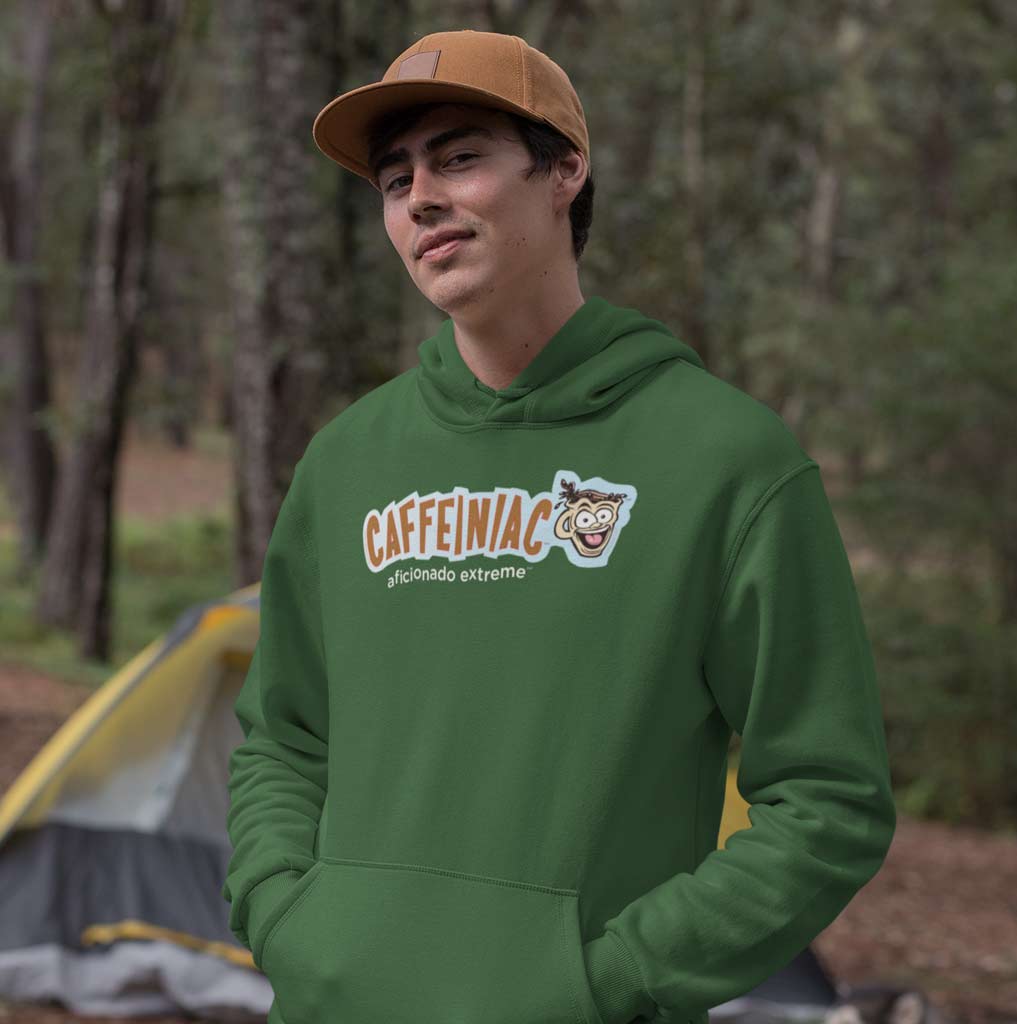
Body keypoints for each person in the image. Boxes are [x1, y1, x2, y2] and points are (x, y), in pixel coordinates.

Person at [221, 28, 897, 1024]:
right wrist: (289, 919)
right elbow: (283, 737)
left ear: (564, 172)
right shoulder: (346, 462)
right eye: (393, 177)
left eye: (459, 157)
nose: (420, 198)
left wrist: (610, 978)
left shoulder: (723, 460)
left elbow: (829, 799)